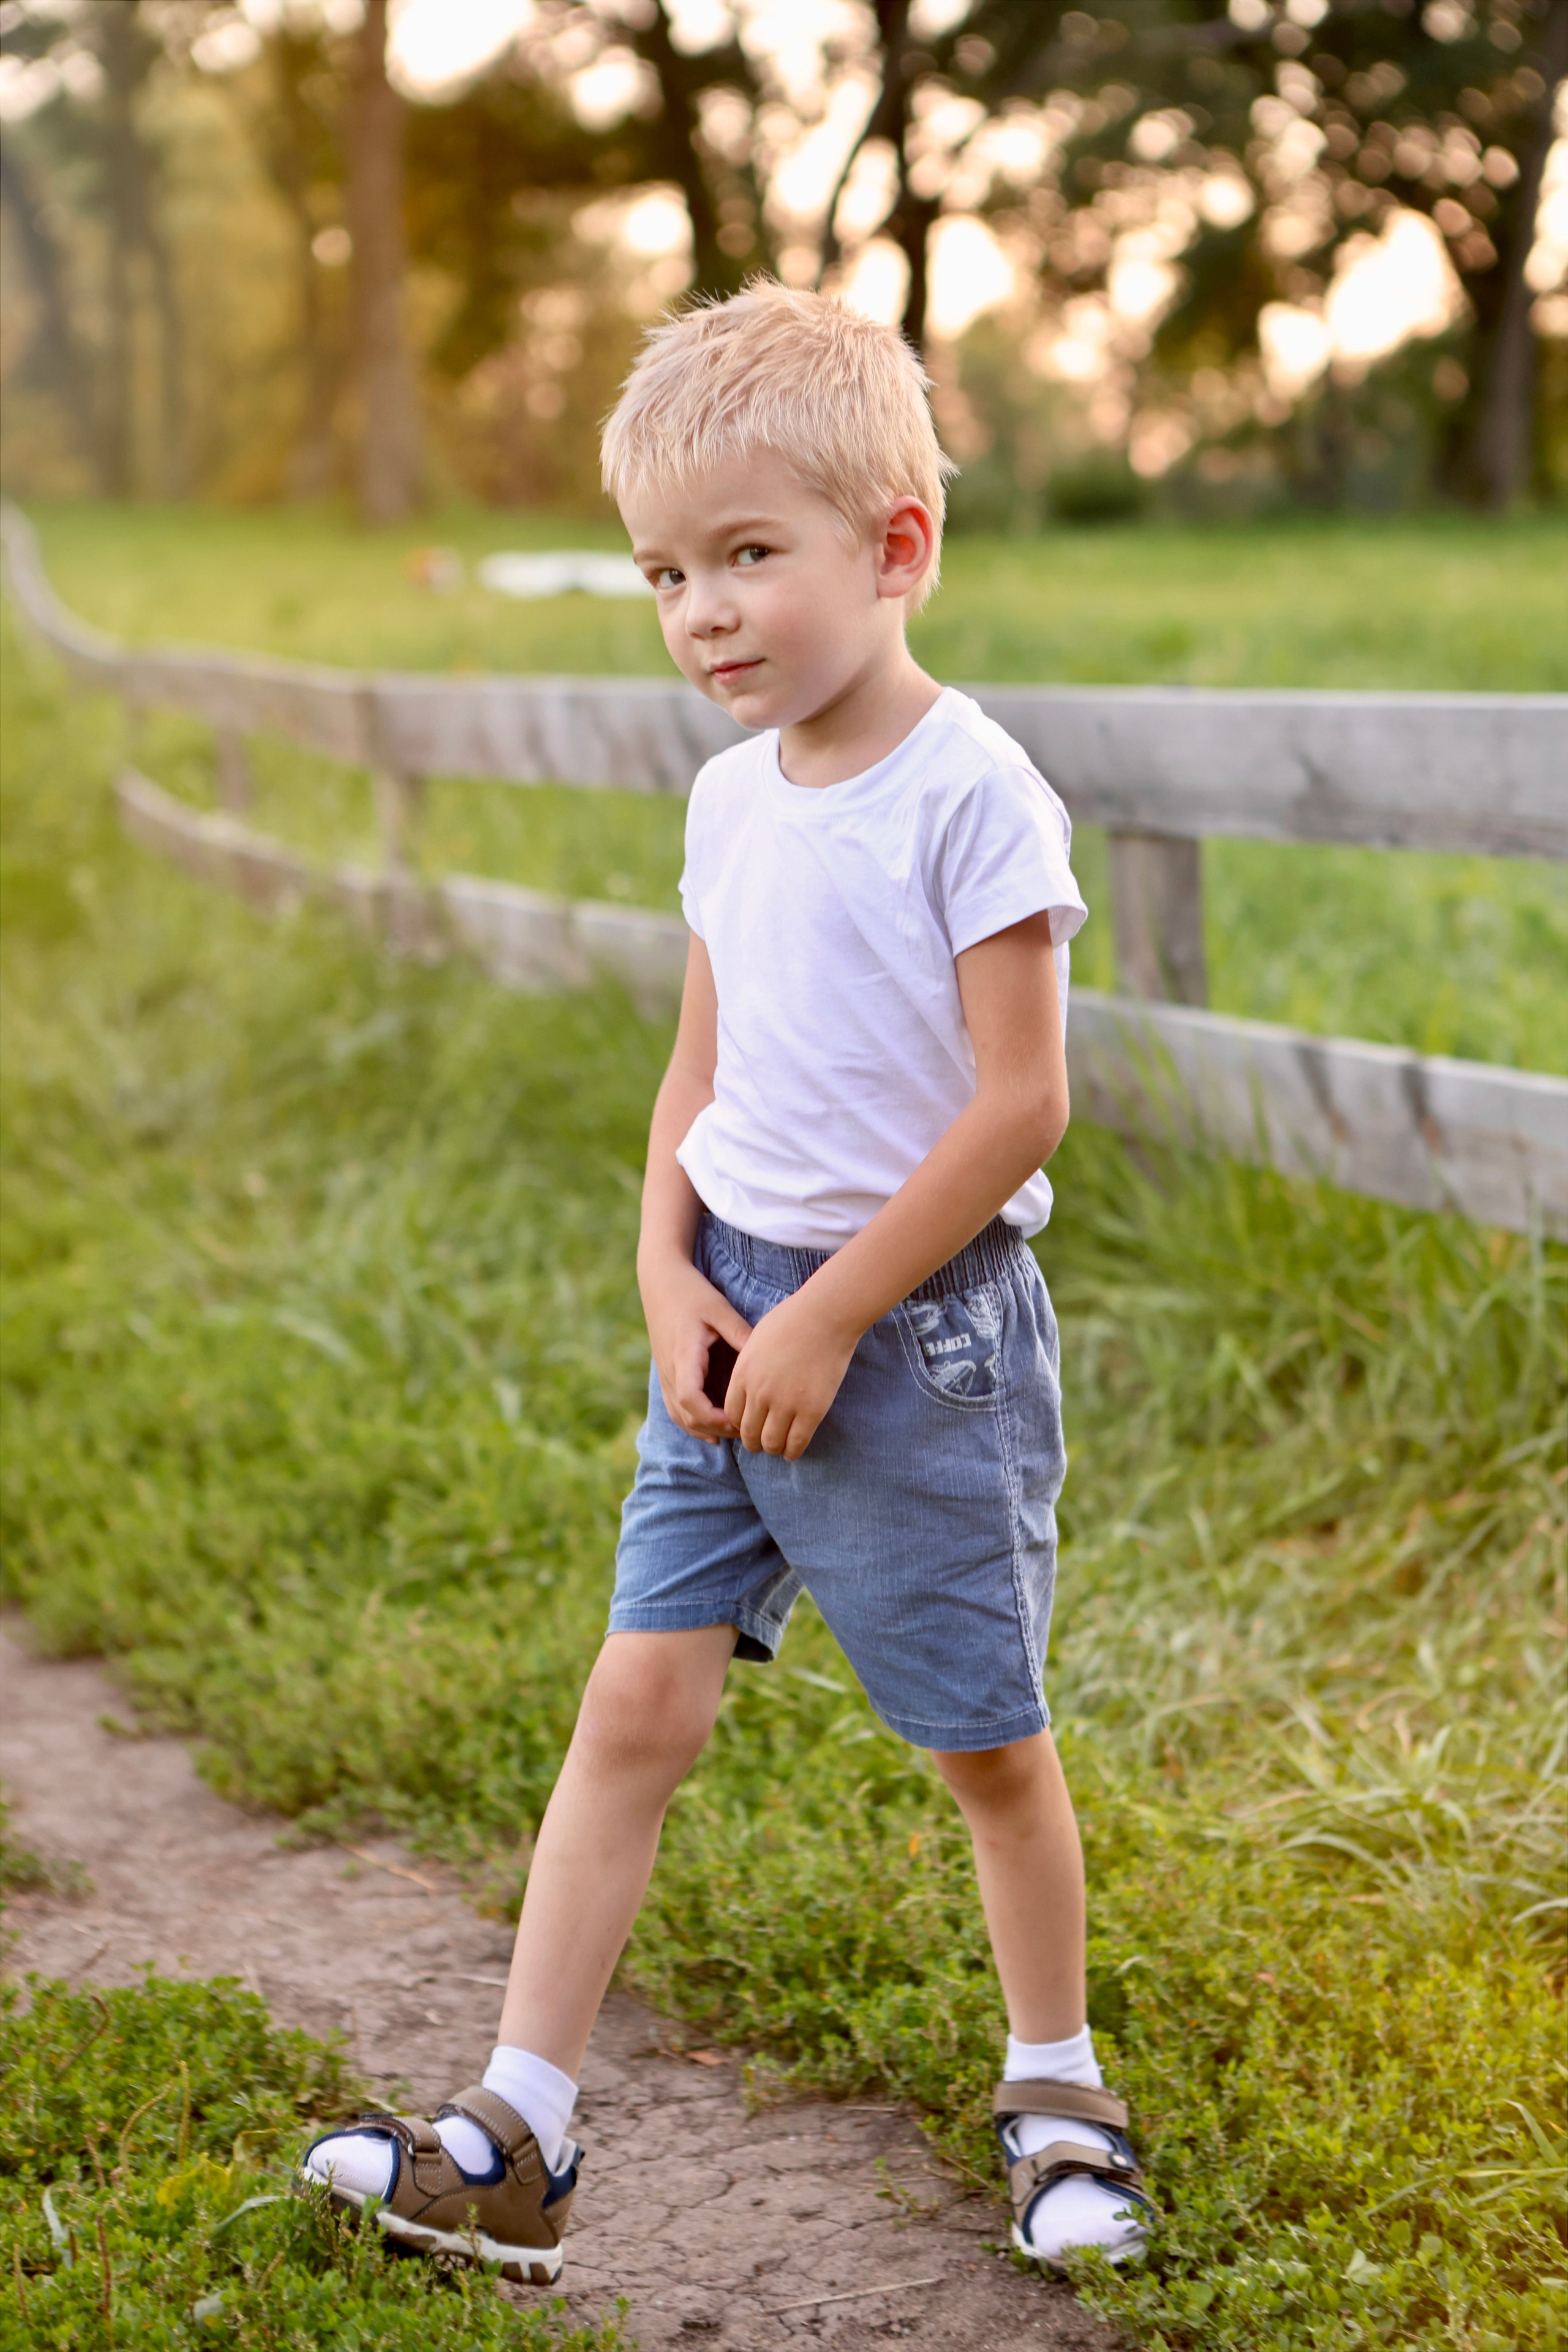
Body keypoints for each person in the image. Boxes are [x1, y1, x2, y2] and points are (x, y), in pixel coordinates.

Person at [300, 281, 1155, 2286]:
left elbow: (1022, 1109)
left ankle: (1059, 2088)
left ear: (896, 545)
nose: (703, 612)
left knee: (983, 1743)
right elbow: (707, 1066)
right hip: (724, 1317)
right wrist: (663, 1265)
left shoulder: (971, 797)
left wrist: (835, 1312)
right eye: (666, 573)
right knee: (635, 1710)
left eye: (747, 557)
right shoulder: (722, 799)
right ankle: (521, 2128)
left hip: (910, 1336)